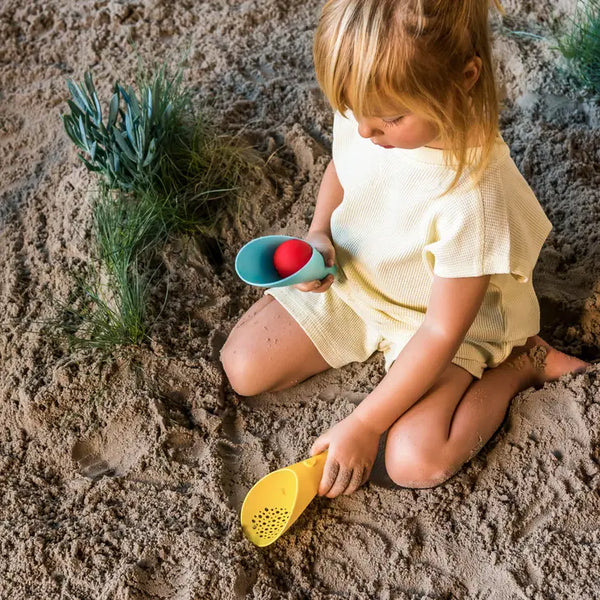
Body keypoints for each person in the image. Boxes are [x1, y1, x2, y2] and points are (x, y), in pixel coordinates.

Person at [220, 0, 590, 499]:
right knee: (243, 365)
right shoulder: (370, 103)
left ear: (463, 78)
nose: (367, 132)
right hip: (363, 276)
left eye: (390, 119)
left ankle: (523, 363)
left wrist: (364, 424)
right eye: (353, 112)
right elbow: (342, 168)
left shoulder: (473, 195)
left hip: (452, 324)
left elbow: (440, 331)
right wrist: (319, 234)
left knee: (416, 459)